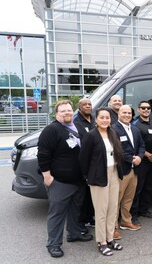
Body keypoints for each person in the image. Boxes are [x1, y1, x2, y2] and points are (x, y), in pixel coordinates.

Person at [38, 100, 93, 258]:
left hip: (79, 181)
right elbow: (43, 155)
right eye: (63, 111)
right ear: (57, 114)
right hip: (60, 182)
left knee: (75, 211)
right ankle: (53, 244)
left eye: (69, 110)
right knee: (57, 214)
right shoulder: (51, 130)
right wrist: (47, 176)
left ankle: (74, 234)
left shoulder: (78, 127)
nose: (67, 113)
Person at [79, 107, 124, 256]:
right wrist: (88, 176)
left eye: (107, 117)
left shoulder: (113, 133)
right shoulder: (91, 136)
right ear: (96, 120)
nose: (105, 120)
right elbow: (83, 159)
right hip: (98, 176)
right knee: (101, 211)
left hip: (114, 173)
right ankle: (102, 242)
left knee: (112, 209)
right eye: (102, 117)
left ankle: (110, 238)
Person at [112, 105, 144, 236]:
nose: (127, 115)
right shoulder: (114, 129)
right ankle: (112, 227)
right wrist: (132, 159)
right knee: (115, 200)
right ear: (118, 114)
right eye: (124, 112)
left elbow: (142, 145)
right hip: (121, 170)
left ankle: (126, 221)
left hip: (134, 171)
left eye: (129, 113)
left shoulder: (135, 129)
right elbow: (117, 149)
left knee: (128, 199)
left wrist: (140, 157)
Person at [132, 101, 152, 221]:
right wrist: (147, 154)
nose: (146, 110)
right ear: (138, 110)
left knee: (149, 186)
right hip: (142, 161)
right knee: (138, 188)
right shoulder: (135, 125)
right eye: (143, 108)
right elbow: (135, 144)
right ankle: (134, 213)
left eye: (148, 108)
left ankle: (144, 209)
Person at [73, 98, 95, 232]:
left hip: (95, 164)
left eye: (89, 104)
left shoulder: (94, 120)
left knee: (91, 194)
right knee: (81, 196)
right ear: (79, 107)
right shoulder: (76, 123)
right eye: (84, 105)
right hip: (83, 164)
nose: (88, 106)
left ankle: (90, 218)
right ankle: (80, 223)